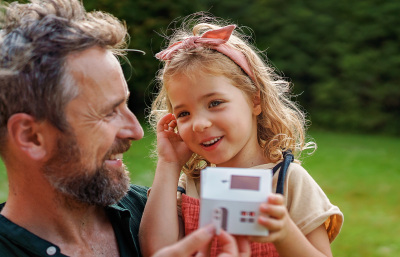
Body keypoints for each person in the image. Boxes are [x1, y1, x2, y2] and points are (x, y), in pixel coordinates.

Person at [0, 1, 249, 256]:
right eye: (108, 112)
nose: (136, 131)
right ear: (31, 137)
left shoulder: (153, 212)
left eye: (126, 105)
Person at [140, 16, 344, 257]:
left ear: (254, 100)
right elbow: (156, 251)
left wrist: (285, 233)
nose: (200, 124)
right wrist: (169, 164)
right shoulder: (190, 186)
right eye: (183, 113)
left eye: (215, 103)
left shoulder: (288, 181)